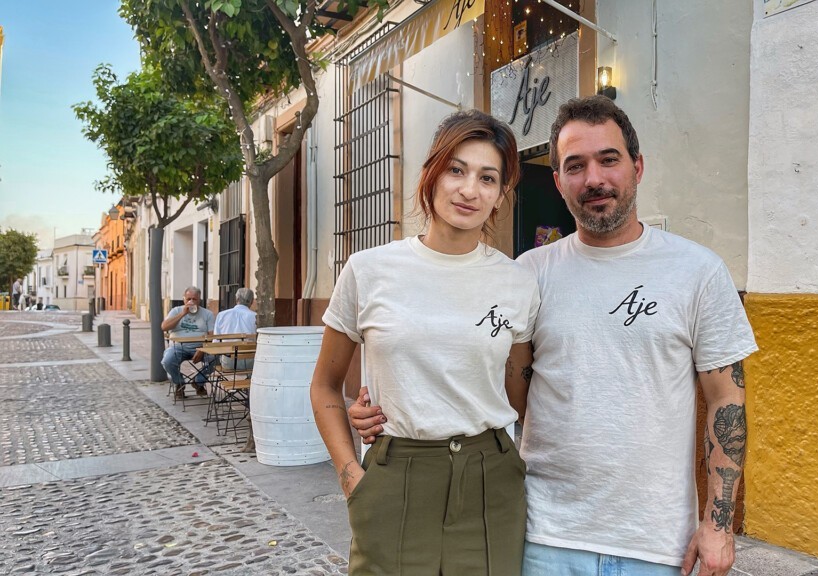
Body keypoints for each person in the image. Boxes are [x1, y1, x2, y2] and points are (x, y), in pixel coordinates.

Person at [351, 95, 757, 576]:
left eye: (609, 160)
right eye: (575, 166)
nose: (594, 179)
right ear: (559, 181)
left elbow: (726, 400)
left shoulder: (698, 271)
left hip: (654, 543)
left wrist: (718, 524)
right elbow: (501, 392)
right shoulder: (528, 276)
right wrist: (390, 404)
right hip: (543, 536)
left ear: (638, 167)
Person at [310, 109, 539, 576]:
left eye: (488, 178)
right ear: (430, 174)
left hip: (490, 482)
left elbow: (518, 395)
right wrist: (351, 474)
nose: (469, 189)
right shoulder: (368, 270)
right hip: (396, 474)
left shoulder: (518, 283)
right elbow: (325, 386)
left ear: (500, 195)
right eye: (456, 169)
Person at [161, 286, 216, 399]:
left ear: (199, 300)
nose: (191, 301)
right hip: (179, 346)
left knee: (217, 359)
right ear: (184, 299)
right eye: (188, 299)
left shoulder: (207, 314)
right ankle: (179, 383)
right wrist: (182, 314)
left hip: (200, 346)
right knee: (167, 360)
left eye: (194, 299)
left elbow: (212, 336)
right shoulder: (176, 311)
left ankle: (198, 381)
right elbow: (164, 326)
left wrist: (202, 349)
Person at [213, 287, 257, 370]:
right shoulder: (255, 316)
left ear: (236, 299)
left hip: (228, 362)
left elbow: (216, 342)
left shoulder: (221, 315)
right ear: (251, 301)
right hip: (251, 362)